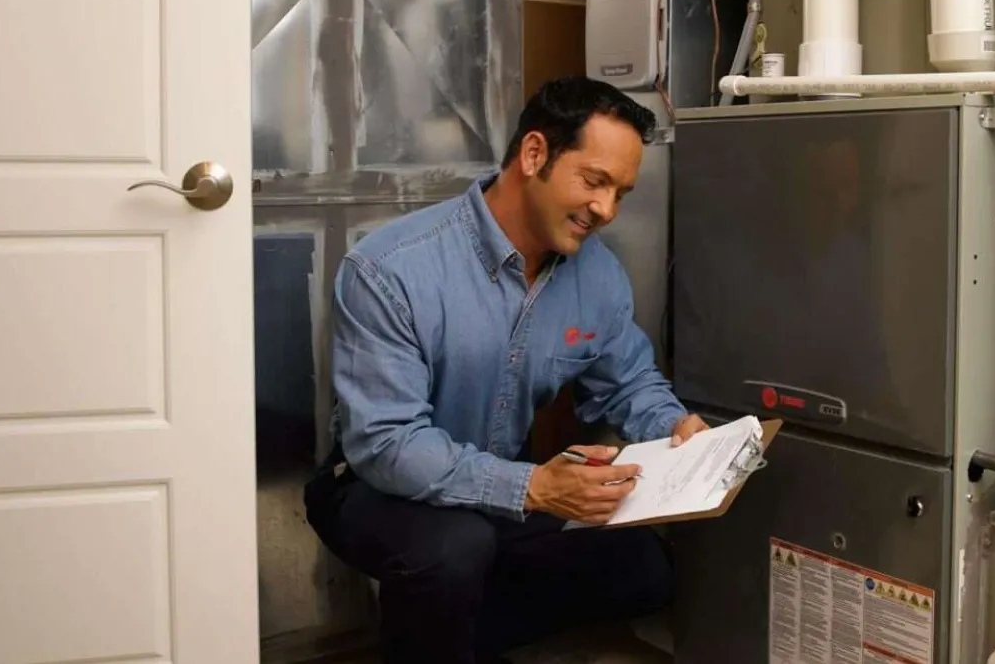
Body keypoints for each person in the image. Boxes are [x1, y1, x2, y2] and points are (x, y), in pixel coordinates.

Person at [304, 77, 709, 664]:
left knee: (645, 569)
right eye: (595, 181)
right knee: (453, 549)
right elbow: (387, 444)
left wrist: (675, 430)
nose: (607, 210)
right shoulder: (390, 269)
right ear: (534, 154)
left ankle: (437, 635)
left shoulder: (596, 275)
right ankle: (437, 621)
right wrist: (535, 487)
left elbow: (627, 382)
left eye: (621, 192)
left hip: (503, 495)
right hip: (372, 486)